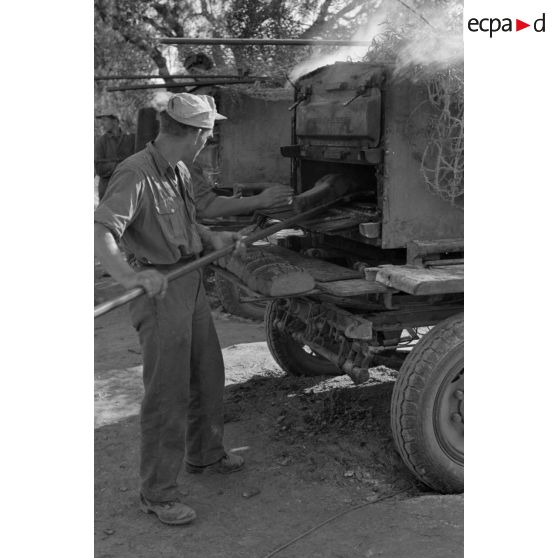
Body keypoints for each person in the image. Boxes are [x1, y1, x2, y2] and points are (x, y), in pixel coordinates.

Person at [94, 94, 250, 526]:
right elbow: (100, 231)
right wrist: (130, 277)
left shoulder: (178, 170)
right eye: (209, 134)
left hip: (189, 279)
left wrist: (211, 238)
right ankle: (158, 493)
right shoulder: (135, 173)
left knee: (207, 372)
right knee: (168, 394)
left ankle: (205, 454)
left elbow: (185, 223)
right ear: (199, 135)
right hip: (160, 290)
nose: (209, 140)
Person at [94, 114, 135, 201]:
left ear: (115, 121)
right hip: (107, 191)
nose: (102, 123)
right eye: (102, 120)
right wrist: (118, 165)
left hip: (127, 190)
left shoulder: (130, 139)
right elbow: (98, 167)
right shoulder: (101, 142)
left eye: (105, 120)